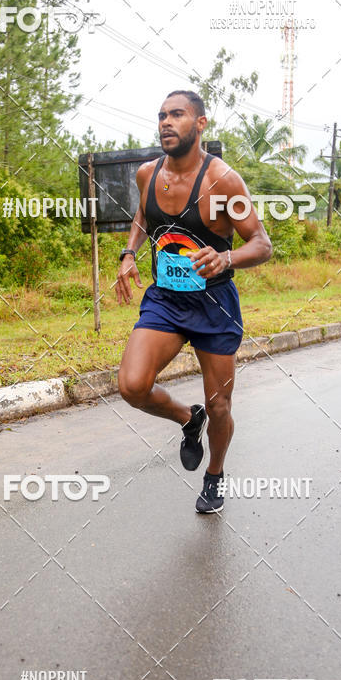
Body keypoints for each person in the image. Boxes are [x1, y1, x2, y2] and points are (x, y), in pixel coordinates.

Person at [115, 90, 272, 512]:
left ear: (200, 124)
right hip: (165, 300)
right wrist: (129, 253)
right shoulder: (147, 174)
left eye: (177, 115)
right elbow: (144, 217)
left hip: (213, 304)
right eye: (162, 115)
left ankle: (215, 475)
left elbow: (261, 243)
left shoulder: (222, 180)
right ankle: (188, 419)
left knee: (220, 404)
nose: (166, 122)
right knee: (132, 386)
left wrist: (226, 257)